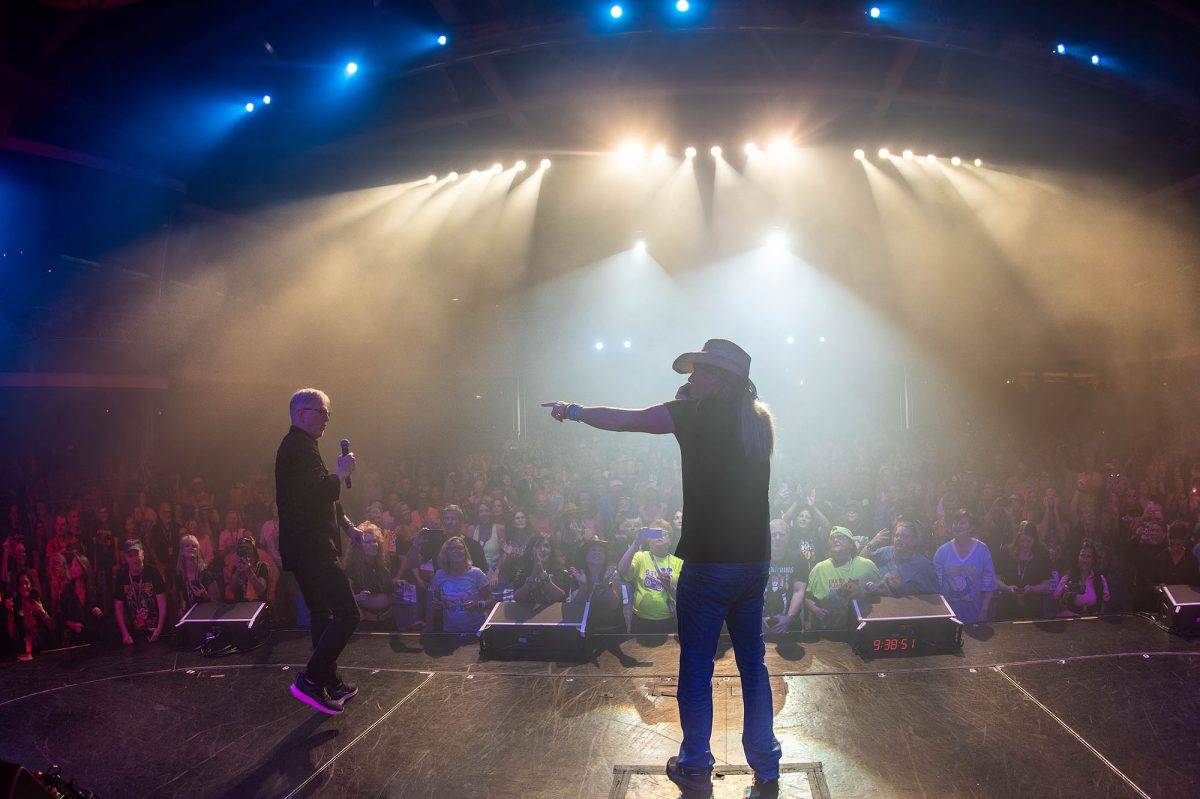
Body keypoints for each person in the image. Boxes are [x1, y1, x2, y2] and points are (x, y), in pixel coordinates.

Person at [542, 338, 782, 799]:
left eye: (698, 372)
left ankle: (695, 763)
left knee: (696, 666)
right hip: (754, 561)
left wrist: (573, 410)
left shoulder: (694, 416)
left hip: (710, 563)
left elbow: (625, 420)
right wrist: (689, 399)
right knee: (753, 663)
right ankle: (766, 763)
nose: (690, 378)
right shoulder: (757, 421)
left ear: (718, 380)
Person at [276, 387, 362, 716]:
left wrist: (347, 526)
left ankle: (329, 681)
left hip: (305, 546)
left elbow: (321, 498)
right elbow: (318, 492)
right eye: (321, 411)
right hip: (313, 547)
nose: (327, 418)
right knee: (348, 613)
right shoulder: (298, 448)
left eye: (328, 412)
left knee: (322, 614)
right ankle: (311, 680)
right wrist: (341, 474)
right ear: (302, 414)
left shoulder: (302, 446)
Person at [805, 527, 882, 630]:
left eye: (840, 537)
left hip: (861, 629)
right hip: (828, 630)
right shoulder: (819, 568)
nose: (835, 540)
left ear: (851, 544)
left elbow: (882, 595)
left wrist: (876, 590)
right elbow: (807, 597)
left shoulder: (867, 566)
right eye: (832, 538)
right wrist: (815, 609)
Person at [618, 522, 683, 634]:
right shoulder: (640, 556)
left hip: (668, 619)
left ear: (670, 539)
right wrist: (636, 543)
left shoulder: (679, 563)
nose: (660, 536)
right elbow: (622, 569)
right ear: (648, 539)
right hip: (641, 619)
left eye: (664, 533)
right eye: (655, 533)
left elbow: (684, 598)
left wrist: (669, 587)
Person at [933, 510, 996, 624]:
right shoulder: (942, 552)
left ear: (971, 527)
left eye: (962, 523)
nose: (958, 526)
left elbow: (989, 583)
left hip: (975, 614)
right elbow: (936, 586)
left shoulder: (982, 549)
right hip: (948, 616)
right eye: (955, 523)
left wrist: (984, 611)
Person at [429, 535, 492, 633]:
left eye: (460, 548)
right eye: (453, 548)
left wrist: (478, 604)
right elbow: (433, 603)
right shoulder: (439, 575)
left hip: (476, 631)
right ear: (446, 553)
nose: (457, 550)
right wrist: (438, 607)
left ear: (465, 552)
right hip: (450, 632)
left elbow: (491, 602)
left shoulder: (476, 573)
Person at [993, 521, 1053, 620]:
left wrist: (1032, 588)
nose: (1025, 545)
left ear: (1035, 540)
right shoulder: (1006, 553)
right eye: (1022, 541)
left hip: (1033, 609)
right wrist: (1007, 588)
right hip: (1007, 608)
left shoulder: (1042, 556)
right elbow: (996, 579)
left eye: (1029, 541)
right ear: (1017, 539)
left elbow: (1046, 585)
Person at [863, 519, 938, 598]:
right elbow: (861, 560)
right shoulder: (885, 552)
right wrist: (872, 542)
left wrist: (902, 588)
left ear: (914, 541)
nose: (899, 539)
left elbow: (935, 597)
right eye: (897, 535)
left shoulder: (925, 566)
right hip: (880, 603)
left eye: (904, 536)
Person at [113, 539, 167, 646]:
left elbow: (162, 602)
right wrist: (125, 633)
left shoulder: (153, 572)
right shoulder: (122, 576)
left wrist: (159, 629)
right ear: (126, 558)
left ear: (143, 554)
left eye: (137, 554)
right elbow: (118, 606)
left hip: (156, 631)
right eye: (130, 556)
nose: (134, 559)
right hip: (134, 636)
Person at [763, 519, 808, 634]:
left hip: (790, 623)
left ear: (788, 537)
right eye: (773, 534)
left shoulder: (798, 558)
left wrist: (789, 618)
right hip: (760, 622)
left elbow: (799, 591)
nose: (777, 538)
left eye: (781, 534)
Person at [1053, 541, 1109, 616]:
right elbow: (1056, 599)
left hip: (1092, 619)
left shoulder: (1100, 579)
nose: (1084, 560)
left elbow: (1104, 604)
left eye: (1088, 556)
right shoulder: (1068, 577)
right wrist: (1064, 595)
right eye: (1082, 556)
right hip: (1071, 618)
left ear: (1093, 560)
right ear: (1077, 557)